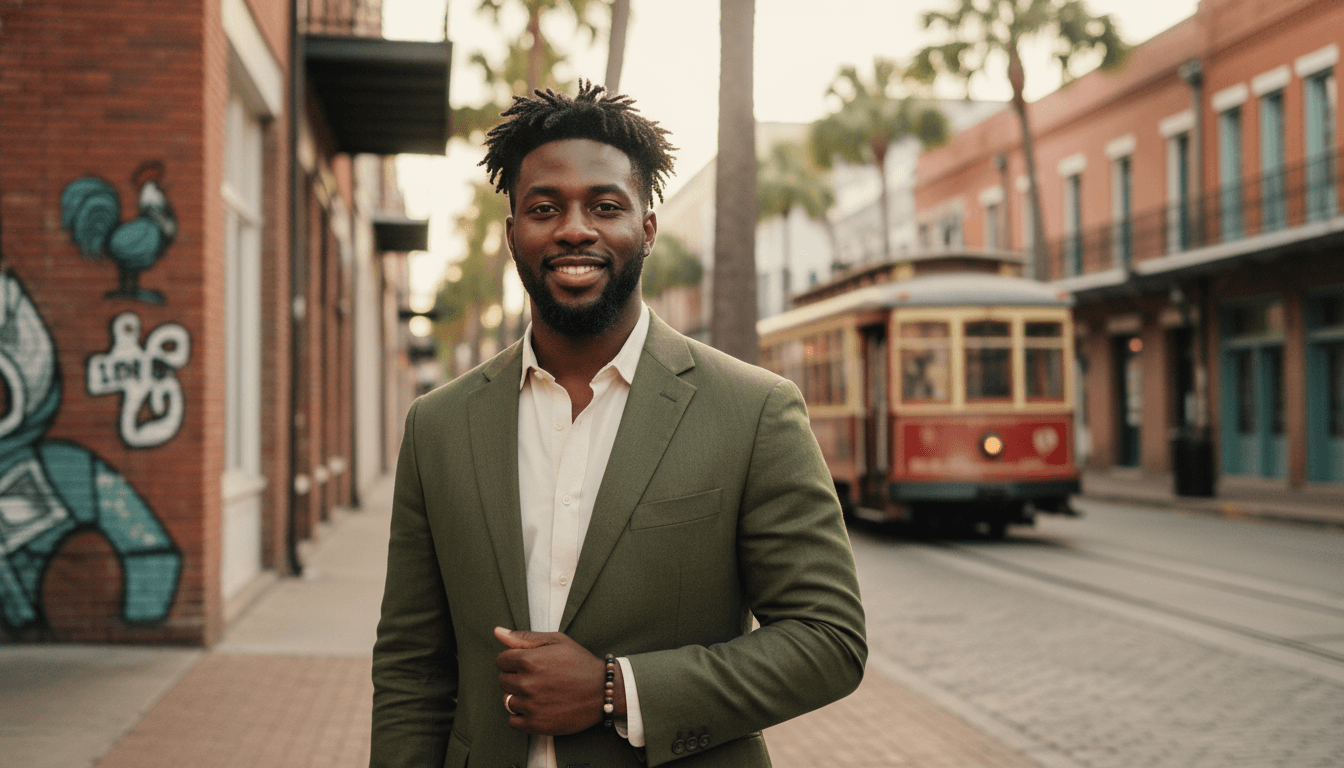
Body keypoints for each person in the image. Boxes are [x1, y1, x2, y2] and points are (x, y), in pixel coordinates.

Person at [370, 81, 866, 768]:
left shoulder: (754, 411)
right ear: (513, 231)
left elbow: (828, 640)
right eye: (544, 208)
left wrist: (617, 689)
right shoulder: (438, 427)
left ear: (647, 229)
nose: (575, 228)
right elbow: (411, 669)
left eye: (606, 206)